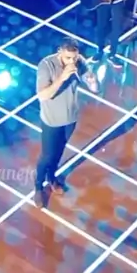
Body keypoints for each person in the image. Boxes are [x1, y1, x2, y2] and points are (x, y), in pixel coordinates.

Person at [34, 39, 97, 206]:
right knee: (47, 155)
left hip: (70, 119)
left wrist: (92, 81)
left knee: (59, 151)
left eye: (74, 57)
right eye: (68, 57)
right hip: (52, 120)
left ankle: (51, 178)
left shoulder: (79, 61)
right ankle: (38, 187)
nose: (72, 61)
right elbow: (43, 96)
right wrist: (62, 77)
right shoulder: (46, 65)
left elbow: (94, 88)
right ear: (60, 52)